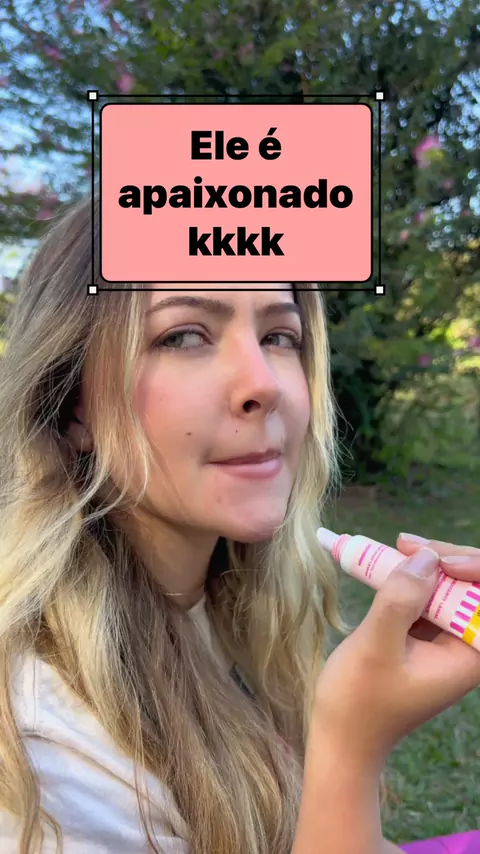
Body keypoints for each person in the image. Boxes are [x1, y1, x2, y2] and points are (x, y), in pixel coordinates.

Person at [0, 193, 479, 854]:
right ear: (72, 406)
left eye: (280, 336)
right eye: (183, 336)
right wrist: (348, 750)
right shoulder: (41, 741)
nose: (265, 383)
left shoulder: (243, 606)